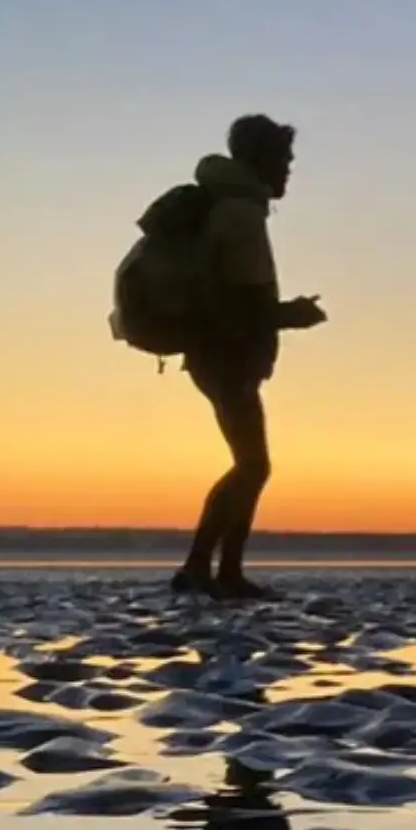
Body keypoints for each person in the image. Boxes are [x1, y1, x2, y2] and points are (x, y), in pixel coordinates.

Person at [171, 113, 326, 600]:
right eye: (284, 160)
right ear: (262, 160)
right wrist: (293, 315)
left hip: (220, 352)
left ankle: (219, 571)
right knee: (253, 465)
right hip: (225, 354)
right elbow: (241, 301)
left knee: (251, 464)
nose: (289, 171)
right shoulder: (240, 214)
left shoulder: (234, 206)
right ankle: (206, 569)